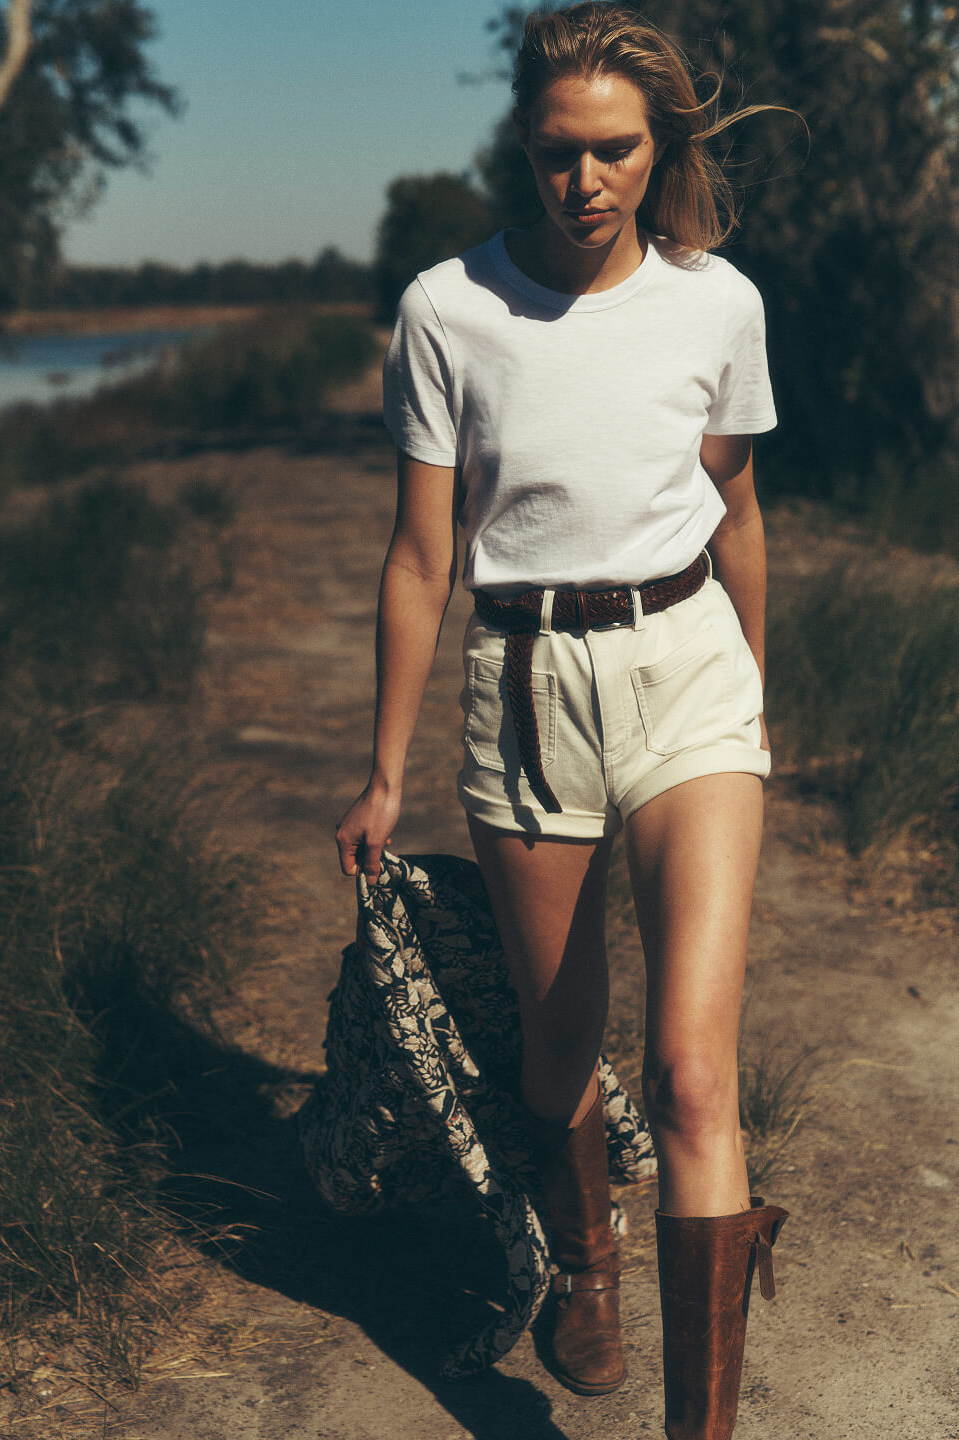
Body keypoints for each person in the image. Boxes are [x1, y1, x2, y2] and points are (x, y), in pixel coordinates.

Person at [336, 5, 790, 1436]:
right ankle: (585, 1257)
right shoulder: (447, 310)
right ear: (520, 148)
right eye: (556, 152)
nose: (583, 180)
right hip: (523, 693)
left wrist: (751, 703)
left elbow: (737, 512)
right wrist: (382, 771)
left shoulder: (719, 302)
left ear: (661, 152)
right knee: (559, 1049)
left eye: (614, 152)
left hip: (687, 675)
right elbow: (422, 558)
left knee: (691, 1071)